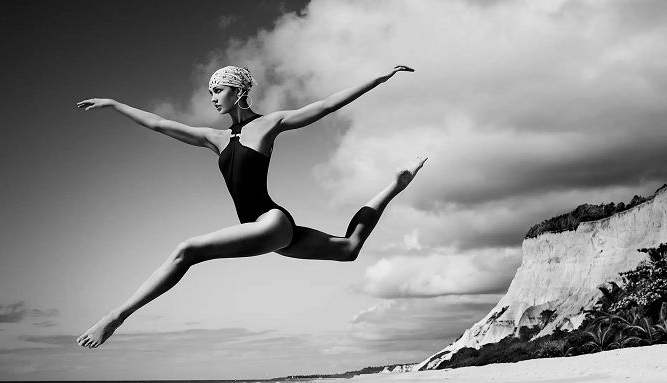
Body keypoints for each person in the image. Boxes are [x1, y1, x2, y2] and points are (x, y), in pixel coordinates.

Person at [76, 64, 426, 348]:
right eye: (210, 91)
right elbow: (160, 124)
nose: (212, 98)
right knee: (349, 249)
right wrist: (115, 104)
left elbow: (325, 106)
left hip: (271, 221)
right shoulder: (215, 139)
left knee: (186, 251)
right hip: (266, 230)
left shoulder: (267, 125)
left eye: (218, 90)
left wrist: (378, 78)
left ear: (239, 91)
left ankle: (116, 317)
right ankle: (396, 186)